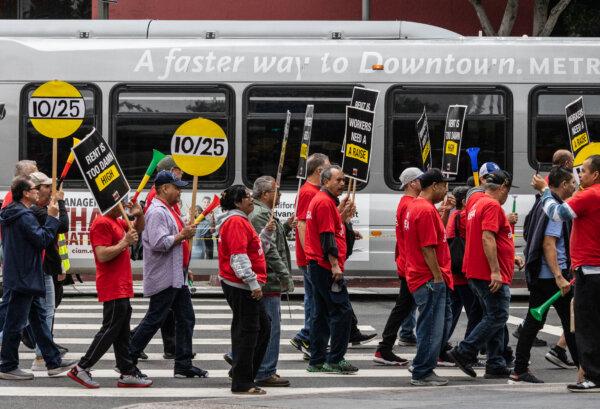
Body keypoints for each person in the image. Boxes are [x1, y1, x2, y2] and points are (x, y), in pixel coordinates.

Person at [290, 154, 375, 358]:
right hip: (319, 260)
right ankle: (311, 342)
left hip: (317, 259)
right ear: (322, 175)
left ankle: (316, 350)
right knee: (326, 307)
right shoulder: (313, 194)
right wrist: (314, 256)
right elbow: (306, 226)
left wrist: (342, 221)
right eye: (338, 178)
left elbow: (326, 224)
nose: (343, 183)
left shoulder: (322, 197)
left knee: (321, 307)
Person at [532, 155, 600, 392]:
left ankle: (593, 376)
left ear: (596, 175)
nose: (579, 176)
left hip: (589, 270)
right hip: (594, 267)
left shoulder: (590, 194)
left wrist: (544, 191)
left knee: (587, 325)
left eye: (584, 172)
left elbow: (556, 212)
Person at [129, 171, 207, 378]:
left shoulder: (168, 210)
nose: (180, 191)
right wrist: (182, 235)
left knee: (186, 318)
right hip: (164, 275)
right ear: (164, 188)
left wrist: (183, 262)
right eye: (177, 187)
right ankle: (128, 359)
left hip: (176, 274)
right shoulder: (156, 212)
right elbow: (158, 243)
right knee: (155, 318)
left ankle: (183, 364)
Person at [68, 200, 151, 388]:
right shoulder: (101, 223)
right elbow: (102, 255)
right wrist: (125, 242)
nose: (123, 206)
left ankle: (127, 371)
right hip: (112, 284)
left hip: (122, 284)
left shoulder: (118, 221)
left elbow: (138, 229)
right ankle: (82, 367)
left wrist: (139, 215)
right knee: (110, 329)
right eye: (120, 202)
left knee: (122, 332)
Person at [449, 170, 524, 380]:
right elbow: (487, 238)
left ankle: (495, 362)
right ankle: (464, 351)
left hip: (476, 270)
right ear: (502, 187)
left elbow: (494, 238)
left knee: (493, 316)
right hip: (487, 273)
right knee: (498, 315)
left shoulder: (477, 203)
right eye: (507, 191)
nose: (507, 195)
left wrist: (510, 258)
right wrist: (495, 271)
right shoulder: (491, 205)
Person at [0, 176, 76, 380]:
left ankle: (52, 361)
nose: (37, 192)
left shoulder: (15, 212)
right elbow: (42, 239)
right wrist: (51, 218)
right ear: (25, 193)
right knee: (14, 323)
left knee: (39, 319)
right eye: (34, 189)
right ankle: (7, 365)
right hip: (23, 278)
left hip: (24, 275)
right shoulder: (23, 215)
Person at [510, 166, 578, 384]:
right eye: (572, 183)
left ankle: (519, 368)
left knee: (536, 321)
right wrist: (559, 276)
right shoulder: (555, 208)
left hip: (542, 273)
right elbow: (549, 243)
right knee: (571, 324)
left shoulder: (543, 202)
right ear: (564, 184)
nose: (575, 186)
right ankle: (585, 370)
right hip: (552, 277)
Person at [217, 185, 272, 395]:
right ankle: (242, 381)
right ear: (238, 202)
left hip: (242, 284)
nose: (251, 199)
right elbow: (238, 257)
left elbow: (255, 249)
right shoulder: (236, 222)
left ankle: (241, 372)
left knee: (260, 328)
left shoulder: (241, 221)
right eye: (247, 197)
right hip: (240, 285)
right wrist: (253, 283)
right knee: (248, 332)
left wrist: (265, 234)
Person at [305, 165, 358, 374]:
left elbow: (329, 227)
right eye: (338, 180)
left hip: (317, 265)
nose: (342, 184)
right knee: (341, 312)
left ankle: (317, 360)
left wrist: (342, 215)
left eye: (343, 180)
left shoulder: (321, 201)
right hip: (325, 266)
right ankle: (335, 359)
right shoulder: (324, 202)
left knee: (320, 314)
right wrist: (335, 265)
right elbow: (327, 237)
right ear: (325, 181)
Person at [404, 168, 453, 386]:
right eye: (444, 186)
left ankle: (422, 366)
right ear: (435, 186)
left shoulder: (418, 207)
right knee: (431, 327)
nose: (445, 191)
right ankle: (422, 371)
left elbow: (435, 236)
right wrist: (437, 276)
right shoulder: (424, 209)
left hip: (422, 276)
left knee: (432, 324)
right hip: (428, 278)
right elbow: (427, 247)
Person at [373, 167, 423, 366]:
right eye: (420, 179)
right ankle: (384, 348)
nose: (423, 182)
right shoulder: (409, 204)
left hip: (406, 262)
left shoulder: (406, 203)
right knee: (405, 307)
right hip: (410, 264)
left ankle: (385, 348)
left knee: (404, 307)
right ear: (412, 183)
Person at [249, 176, 294, 387]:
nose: (280, 195)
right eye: (277, 191)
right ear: (266, 194)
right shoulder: (261, 214)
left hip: (267, 278)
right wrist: (285, 275)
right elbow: (269, 250)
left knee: (261, 325)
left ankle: (243, 361)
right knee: (271, 327)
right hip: (268, 279)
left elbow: (271, 239)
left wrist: (284, 225)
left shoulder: (263, 213)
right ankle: (265, 370)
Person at [28, 172, 70, 371]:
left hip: (46, 267)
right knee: (44, 313)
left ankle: (43, 355)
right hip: (42, 268)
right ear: (36, 190)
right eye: (46, 186)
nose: (50, 189)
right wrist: (61, 203)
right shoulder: (39, 211)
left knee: (39, 313)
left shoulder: (42, 209)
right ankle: (41, 357)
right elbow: (63, 226)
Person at [445, 186, 482, 342]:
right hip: (465, 273)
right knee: (475, 314)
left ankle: (441, 346)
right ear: (465, 201)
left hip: (454, 271)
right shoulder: (466, 216)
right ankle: (469, 348)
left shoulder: (453, 216)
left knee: (452, 313)